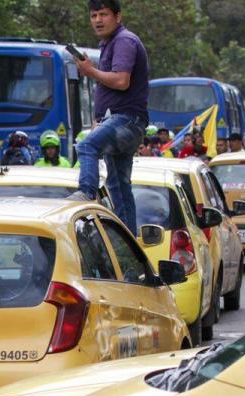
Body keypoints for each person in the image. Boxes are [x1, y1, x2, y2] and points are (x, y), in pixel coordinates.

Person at [71, 0, 150, 231]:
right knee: (120, 189)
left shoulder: (124, 41)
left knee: (86, 147)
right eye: (94, 15)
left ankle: (86, 193)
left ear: (118, 16)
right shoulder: (108, 43)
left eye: (103, 14)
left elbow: (121, 81)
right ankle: (130, 245)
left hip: (126, 120)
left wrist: (90, 71)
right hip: (125, 122)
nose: (98, 20)